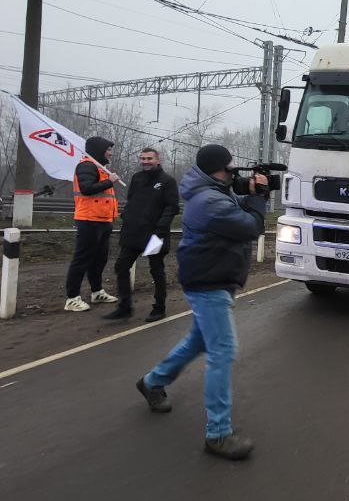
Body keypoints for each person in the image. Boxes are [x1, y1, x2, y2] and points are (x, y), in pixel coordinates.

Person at [135, 144, 268, 460]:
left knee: (198, 341)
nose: (234, 173)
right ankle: (218, 434)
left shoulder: (214, 193)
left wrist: (249, 191)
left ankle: (152, 382)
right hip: (209, 281)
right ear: (217, 171)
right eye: (231, 169)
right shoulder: (209, 201)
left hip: (214, 276)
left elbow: (239, 207)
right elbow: (251, 226)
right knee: (223, 350)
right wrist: (259, 197)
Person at [103, 148, 179, 322]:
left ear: (157, 160)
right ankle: (125, 307)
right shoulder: (137, 178)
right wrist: (126, 216)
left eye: (149, 158)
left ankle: (159, 308)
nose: (145, 161)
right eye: (142, 158)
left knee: (156, 270)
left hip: (154, 236)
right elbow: (132, 201)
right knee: (121, 267)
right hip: (133, 233)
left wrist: (161, 228)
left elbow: (172, 207)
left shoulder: (167, 181)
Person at [64, 136, 121, 312]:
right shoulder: (87, 165)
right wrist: (108, 181)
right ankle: (72, 298)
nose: (111, 153)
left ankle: (97, 292)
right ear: (98, 150)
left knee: (99, 260)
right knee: (82, 259)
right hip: (89, 220)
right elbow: (87, 189)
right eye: (108, 149)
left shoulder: (100, 167)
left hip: (102, 220)